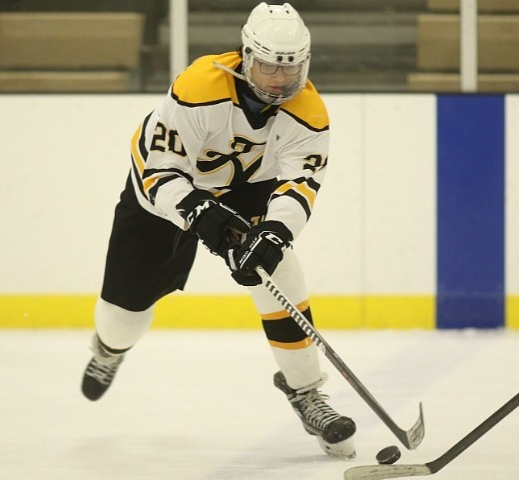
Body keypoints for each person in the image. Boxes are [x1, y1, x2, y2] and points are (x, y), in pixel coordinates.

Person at [80, 2, 356, 459]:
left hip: (248, 189)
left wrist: (275, 234)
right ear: (246, 57)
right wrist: (198, 212)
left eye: (291, 68)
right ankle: (109, 349)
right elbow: (158, 170)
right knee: (124, 311)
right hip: (164, 192)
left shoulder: (310, 112)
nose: (280, 80)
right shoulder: (199, 87)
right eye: (269, 66)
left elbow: (299, 187)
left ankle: (307, 392)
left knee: (280, 272)